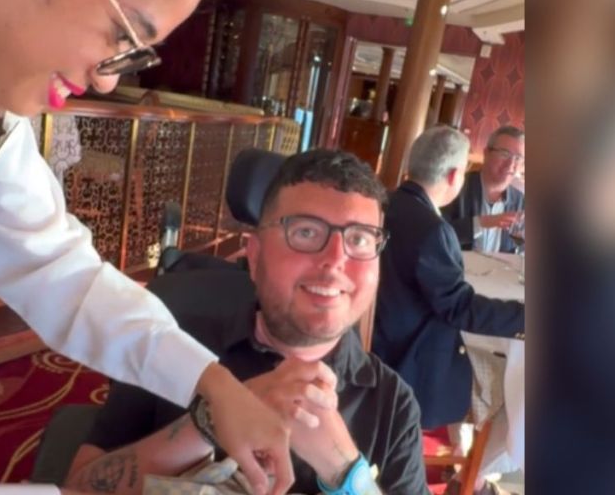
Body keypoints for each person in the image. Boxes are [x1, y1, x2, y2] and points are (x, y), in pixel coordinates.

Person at [0, 0, 300, 494]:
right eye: (119, 34)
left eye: (132, 57)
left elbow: (56, 269)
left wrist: (211, 383)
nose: (108, 84)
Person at [65, 150, 430, 495]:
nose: (336, 260)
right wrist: (211, 422)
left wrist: (345, 469)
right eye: (306, 232)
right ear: (254, 256)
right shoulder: (171, 342)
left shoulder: (392, 404)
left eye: (360, 239)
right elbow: (79, 486)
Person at [372, 126, 525, 430]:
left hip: (382, 337)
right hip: (409, 359)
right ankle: (477, 473)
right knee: (516, 386)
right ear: (456, 176)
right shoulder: (433, 230)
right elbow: (460, 309)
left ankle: (472, 468)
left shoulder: (386, 204)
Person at [441, 126, 525, 253]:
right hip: (455, 270)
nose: (511, 164)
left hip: (501, 273)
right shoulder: (455, 187)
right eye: (504, 154)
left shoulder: (522, 201)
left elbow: (520, 249)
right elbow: (436, 235)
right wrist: (481, 223)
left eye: (518, 158)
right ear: (486, 153)